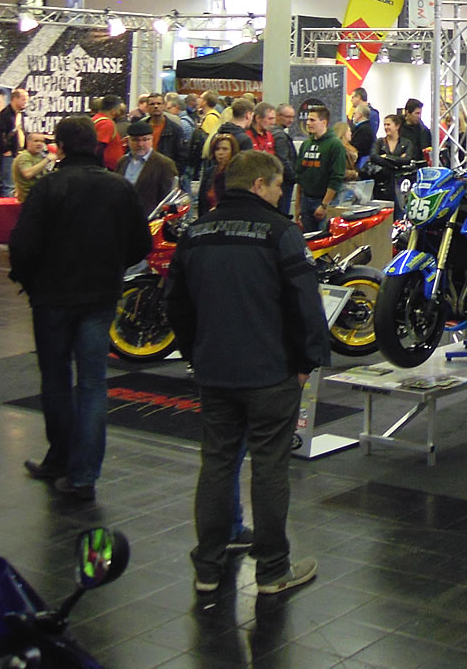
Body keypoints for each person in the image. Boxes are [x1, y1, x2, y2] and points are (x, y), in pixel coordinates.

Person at [164, 149, 329, 597]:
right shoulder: (281, 232)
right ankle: (273, 570)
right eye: (277, 186)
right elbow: (305, 303)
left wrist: (195, 353)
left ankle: (208, 566)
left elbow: (175, 301)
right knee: (270, 467)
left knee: (217, 463)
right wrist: (307, 362)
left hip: (215, 369)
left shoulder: (196, 232)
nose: (281, 194)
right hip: (271, 372)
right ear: (259, 185)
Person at [8, 115, 151, 502]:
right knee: (92, 383)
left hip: (52, 297)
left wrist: (30, 280)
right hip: (99, 294)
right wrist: (112, 266)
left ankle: (60, 458)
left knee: (55, 380)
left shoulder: (49, 187)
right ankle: (83, 474)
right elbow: (141, 244)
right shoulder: (119, 187)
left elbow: (22, 245)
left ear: (61, 146)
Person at [295, 105, 345, 233]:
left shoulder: (335, 145)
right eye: (307, 119)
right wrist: (298, 205)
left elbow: (336, 178)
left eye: (312, 120)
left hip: (324, 201)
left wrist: (324, 205)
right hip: (306, 200)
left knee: (324, 238)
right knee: (307, 239)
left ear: (324, 122)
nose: (308, 123)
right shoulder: (306, 144)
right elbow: (300, 176)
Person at [117, 119, 178, 215]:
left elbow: (167, 197)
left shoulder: (164, 164)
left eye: (145, 140)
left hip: (149, 218)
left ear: (152, 139)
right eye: (135, 140)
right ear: (128, 140)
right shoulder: (122, 162)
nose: (140, 144)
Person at [365, 113, 414, 203]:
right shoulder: (379, 142)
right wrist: (396, 161)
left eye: (388, 124)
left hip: (399, 184)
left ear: (397, 126)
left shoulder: (406, 143)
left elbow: (407, 160)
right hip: (381, 183)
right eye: (384, 125)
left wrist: (386, 157)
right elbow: (374, 156)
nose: (386, 127)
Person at [0, 87, 28, 197]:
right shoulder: (5, 115)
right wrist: (6, 150)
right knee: (9, 185)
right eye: (23, 99)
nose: (25, 102)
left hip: (18, 153)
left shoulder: (19, 114)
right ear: (15, 99)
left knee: (15, 185)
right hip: (9, 155)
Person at [198, 134, 238, 215]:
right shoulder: (209, 172)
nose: (220, 153)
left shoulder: (237, 173)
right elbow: (201, 202)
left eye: (225, 149)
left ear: (232, 151)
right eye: (217, 149)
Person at [13, 130, 53, 202]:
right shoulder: (24, 156)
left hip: (40, 194)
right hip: (29, 197)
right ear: (28, 143)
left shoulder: (40, 156)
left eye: (42, 141)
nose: (39, 144)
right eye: (36, 141)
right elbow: (28, 174)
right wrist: (47, 159)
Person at [92, 96, 124, 171]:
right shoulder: (107, 123)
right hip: (108, 169)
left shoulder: (95, 119)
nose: (120, 112)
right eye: (119, 109)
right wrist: (100, 167)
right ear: (113, 111)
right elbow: (99, 147)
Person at [399, 98, 433, 164]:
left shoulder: (423, 131)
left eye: (420, 113)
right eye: (417, 113)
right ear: (407, 112)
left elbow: (425, 153)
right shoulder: (398, 126)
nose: (419, 116)